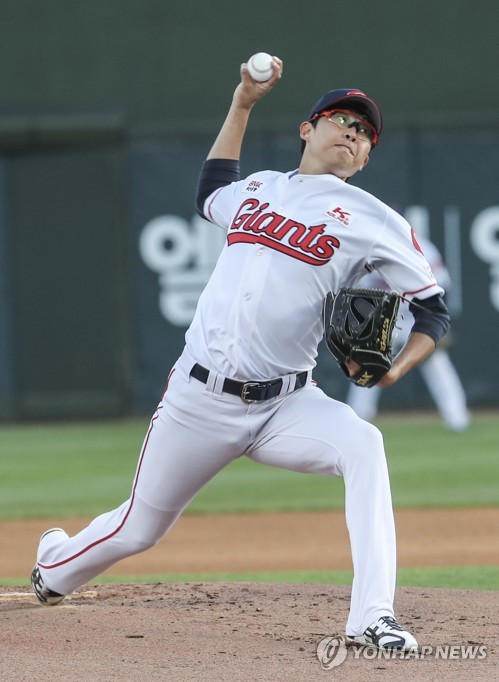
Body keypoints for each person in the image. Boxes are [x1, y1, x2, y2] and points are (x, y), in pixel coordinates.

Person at [31, 57, 450, 652]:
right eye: (341, 120)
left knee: (365, 445)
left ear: (365, 158)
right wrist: (244, 104)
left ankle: (371, 617)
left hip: (287, 404)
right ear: (307, 129)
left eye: (365, 133)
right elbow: (210, 189)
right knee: (138, 529)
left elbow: (433, 311)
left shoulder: (376, 221)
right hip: (198, 401)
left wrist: (393, 370)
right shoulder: (258, 189)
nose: (353, 133)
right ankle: (54, 566)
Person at [347, 236, 470, 431]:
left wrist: (436, 325)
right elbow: (358, 290)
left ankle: (457, 418)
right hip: (383, 317)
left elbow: (442, 285)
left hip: (416, 317)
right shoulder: (370, 245)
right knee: (366, 364)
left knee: (437, 364)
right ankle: (357, 420)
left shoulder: (423, 247)